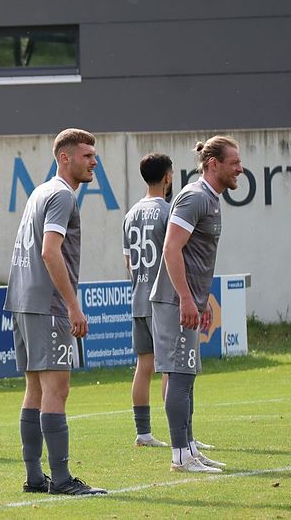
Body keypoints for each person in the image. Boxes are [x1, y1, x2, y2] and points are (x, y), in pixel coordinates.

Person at [3, 128, 107, 496]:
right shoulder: (62, 195)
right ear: (65, 157)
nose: (94, 162)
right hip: (47, 304)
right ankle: (61, 479)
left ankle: (35, 477)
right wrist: (72, 305)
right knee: (56, 389)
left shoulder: (41, 191)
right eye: (87, 155)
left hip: (22, 299)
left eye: (94, 155)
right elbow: (50, 251)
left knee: (34, 388)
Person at [149, 135, 243, 474]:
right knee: (179, 376)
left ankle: (190, 449)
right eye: (234, 163)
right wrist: (187, 299)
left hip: (187, 301)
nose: (240, 169)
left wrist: (196, 301)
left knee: (187, 377)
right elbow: (171, 248)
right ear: (214, 164)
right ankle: (180, 456)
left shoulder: (210, 199)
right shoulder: (195, 197)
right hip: (176, 301)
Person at [122, 153, 173, 448]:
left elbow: (128, 263)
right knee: (173, 368)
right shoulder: (168, 211)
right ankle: (181, 433)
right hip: (163, 300)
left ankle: (143, 433)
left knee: (144, 366)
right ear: (168, 177)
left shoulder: (130, 215)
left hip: (139, 298)